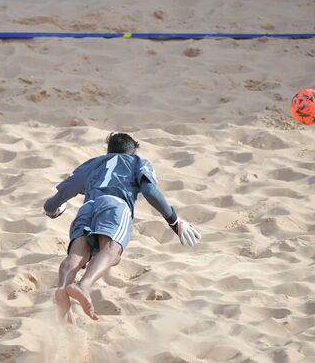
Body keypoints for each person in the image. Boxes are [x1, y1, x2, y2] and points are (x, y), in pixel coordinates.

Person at [43, 133, 201, 323]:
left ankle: (63, 288)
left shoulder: (94, 163)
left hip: (87, 206)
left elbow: (60, 197)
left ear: (109, 150)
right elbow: (150, 191)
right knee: (112, 251)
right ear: (133, 151)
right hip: (115, 206)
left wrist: (52, 209)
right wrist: (174, 221)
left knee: (77, 253)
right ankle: (83, 286)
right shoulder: (137, 162)